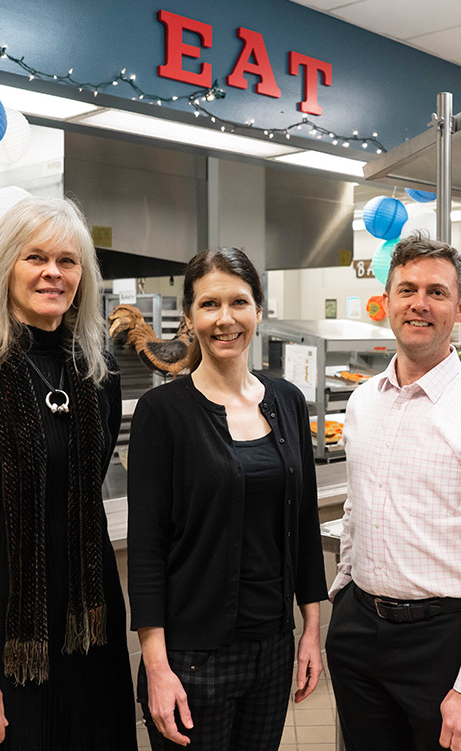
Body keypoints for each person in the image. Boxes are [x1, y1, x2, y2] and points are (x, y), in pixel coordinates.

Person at [0, 197, 136, 750]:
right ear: (5, 267)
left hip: (89, 636)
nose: (53, 272)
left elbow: (81, 490)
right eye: (35, 257)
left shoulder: (97, 374)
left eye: (69, 260)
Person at [325, 234, 461, 751]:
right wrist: (344, 591)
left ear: (460, 309)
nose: (419, 303)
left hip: (443, 643)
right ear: (387, 302)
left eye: (437, 293)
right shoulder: (362, 402)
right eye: (407, 290)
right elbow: (358, 507)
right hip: (359, 630)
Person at [127, 247, 328, 750]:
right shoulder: (163, 412)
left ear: (258, 310)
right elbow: (147, 547)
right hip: (192, 658)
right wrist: (157, 666)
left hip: (274, 647)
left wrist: (310, 630)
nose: (225, 319)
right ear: (190, 319)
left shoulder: (286, 401)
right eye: (209, 305)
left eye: (238, 303)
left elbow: (302, 523)